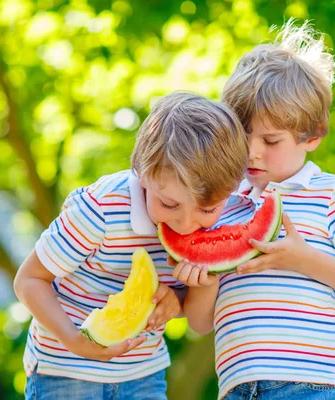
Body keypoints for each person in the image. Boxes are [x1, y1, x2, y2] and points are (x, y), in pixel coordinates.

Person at [175, 21, 335, 400]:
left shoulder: (331, 194)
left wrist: (303, 259)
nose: (252, 151)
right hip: (237, 389)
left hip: (313, 387)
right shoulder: (219, 205)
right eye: (241, 135)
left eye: (270, 139)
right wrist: (205, 281)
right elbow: (199, 324)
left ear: (313, 135)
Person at [13, 91, 249, 399]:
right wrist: (74, 340)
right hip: (66, 370)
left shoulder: (219, 223)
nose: (186, 223)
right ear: (144, 173)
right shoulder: (100, 210)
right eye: (169, 204)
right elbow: (28, 280)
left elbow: (196, 319)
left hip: (144, 374)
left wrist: (179, 299)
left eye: (206, 209)